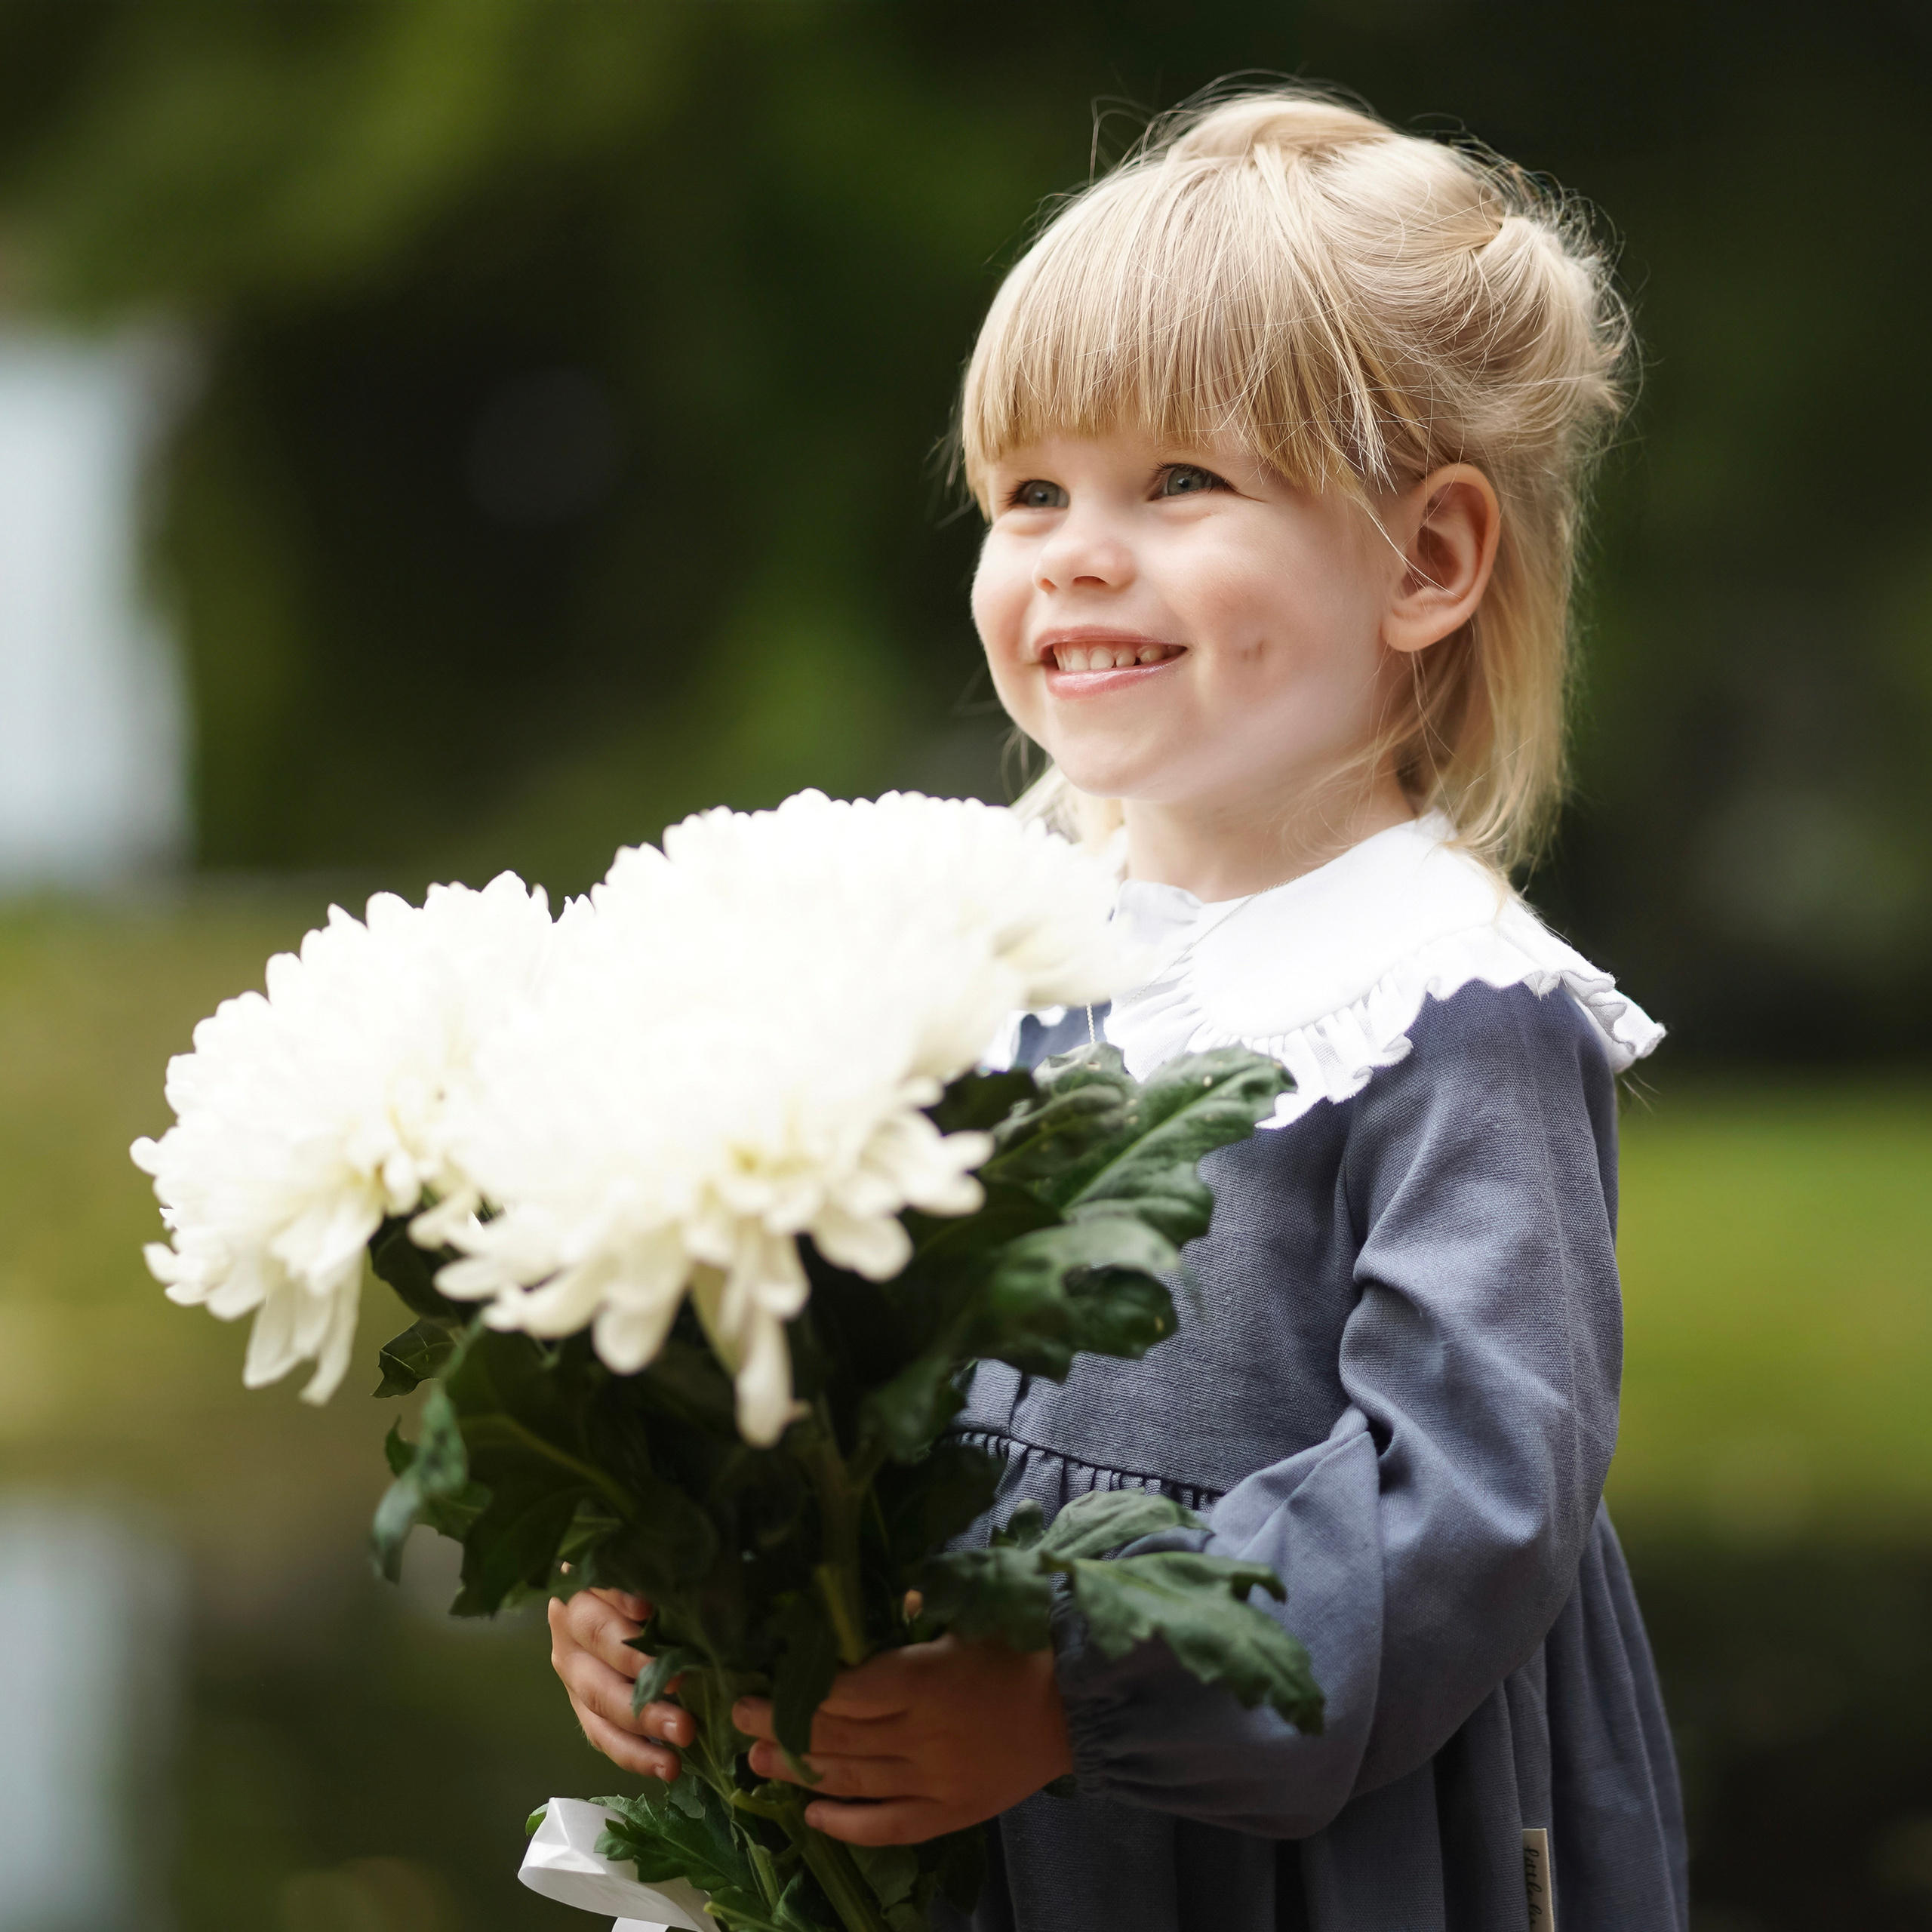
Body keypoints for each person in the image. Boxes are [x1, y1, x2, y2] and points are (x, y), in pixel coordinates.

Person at [548, 85, 1687, 1932]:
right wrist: (655, 1568)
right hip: (959, 1811)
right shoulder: (981, 938)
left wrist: (1076, 1689)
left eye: (1181, 481)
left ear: (1425, 560)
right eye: (1029, 492)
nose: (1077, 548)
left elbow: (1462, 1502)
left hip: (1298, 1838)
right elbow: (821, 1331)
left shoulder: (1450, 1009)